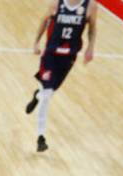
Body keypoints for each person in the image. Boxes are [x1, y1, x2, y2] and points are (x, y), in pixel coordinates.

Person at [26, 0, 97, 153]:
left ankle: (36, 95)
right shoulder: (56, 4)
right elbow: (44, 21)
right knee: (47, 95)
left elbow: (92, 28)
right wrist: (36, 43)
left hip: (69, 56)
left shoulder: (90, 6)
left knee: (49, 92)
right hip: (51, 54)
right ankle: (41, 137)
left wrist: (90, 48)